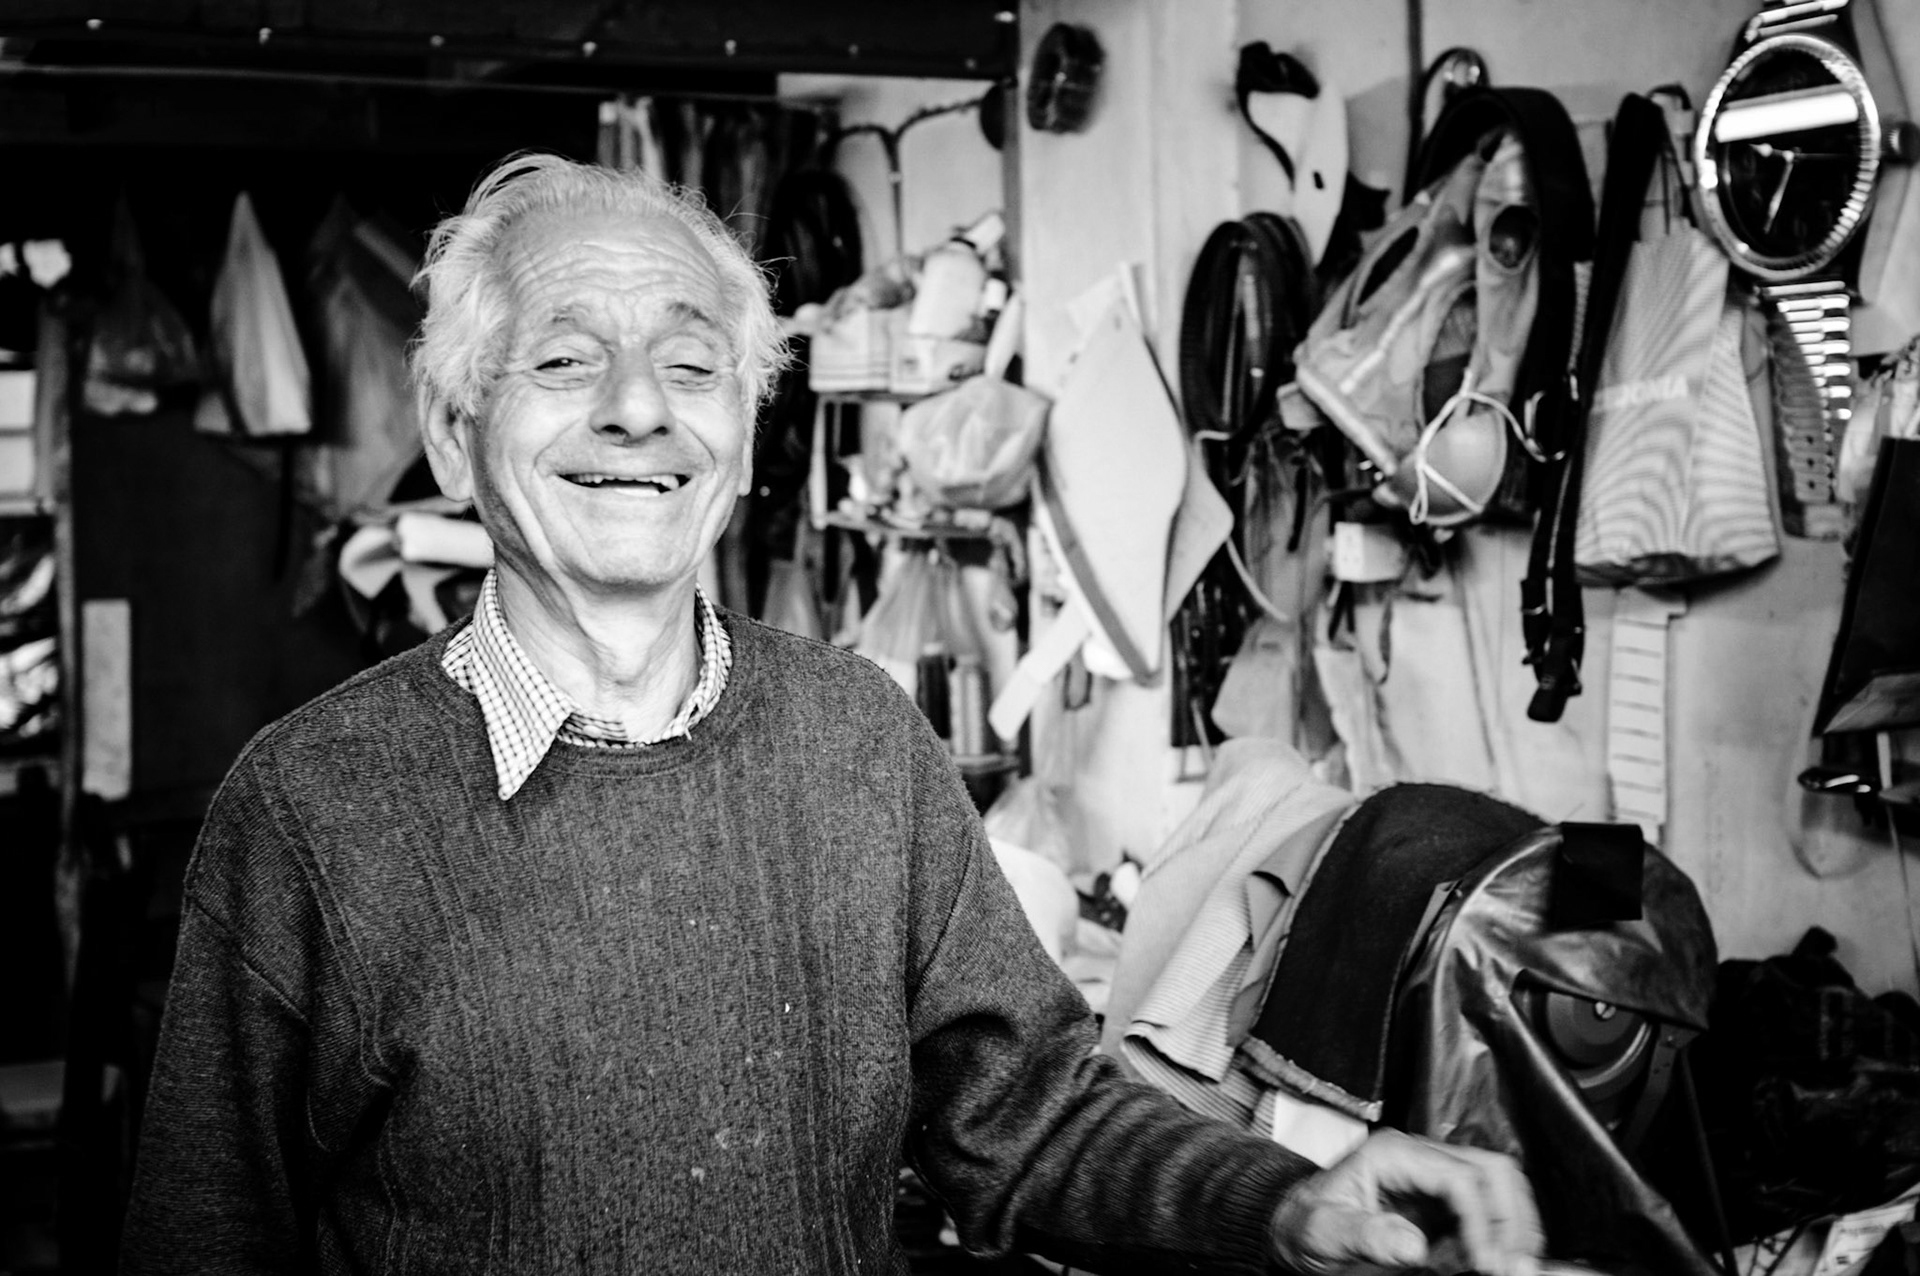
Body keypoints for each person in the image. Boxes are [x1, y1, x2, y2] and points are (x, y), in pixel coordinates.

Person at [120, 153, 1543, 1275]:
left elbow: (1026, 1117)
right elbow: (203, 1240)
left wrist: (1291, 1204)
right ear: (453, 430)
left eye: (691, 368)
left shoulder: (859, 743)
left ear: (742, 435)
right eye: (564, 362)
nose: (637, 412)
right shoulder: (313, 809)